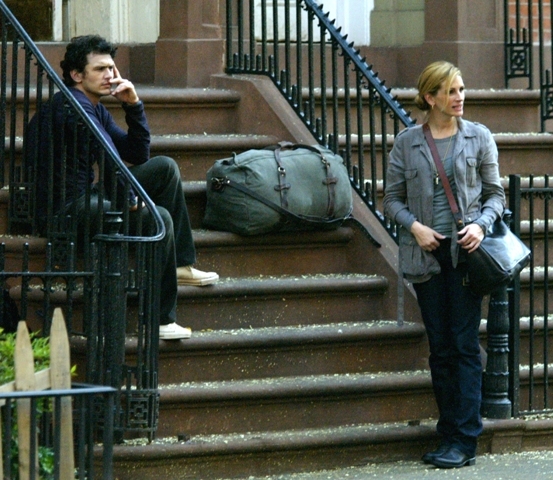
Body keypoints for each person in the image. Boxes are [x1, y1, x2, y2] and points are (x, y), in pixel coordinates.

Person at [33, 35, 218, 341]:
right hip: (65, 212)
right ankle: (161, 320)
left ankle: (180, 265)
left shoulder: (93, 106)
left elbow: (135, 154)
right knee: (159, 218)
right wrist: (131, 200)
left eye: (111, 68)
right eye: (100, 69)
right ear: (77, 74)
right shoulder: (73, 108)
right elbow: (109, 158)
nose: (109, 75)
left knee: (164, 168)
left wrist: (133, 105)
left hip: (88, 197)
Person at [383, 61, 505, 468]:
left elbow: (496, 195)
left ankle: (465, 440)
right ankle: (448, 433)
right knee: (440, 348)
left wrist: (482, 226)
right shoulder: (407, 143)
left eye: (462, 89)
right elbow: (392, 200)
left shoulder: (478, 136)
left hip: (466, 254)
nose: (459, 98)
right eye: (451, 91)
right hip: (426, 253)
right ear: (430, 97)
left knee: (464, 344)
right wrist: (415, 227)